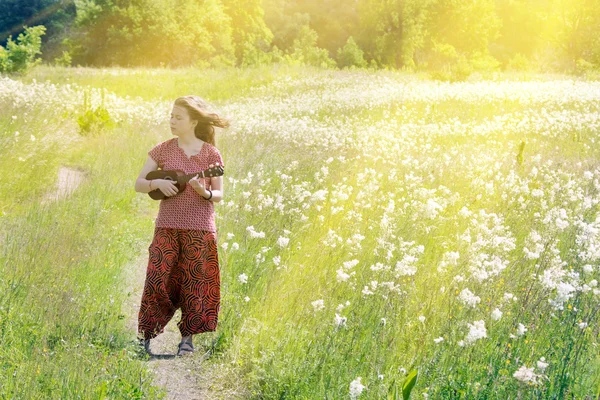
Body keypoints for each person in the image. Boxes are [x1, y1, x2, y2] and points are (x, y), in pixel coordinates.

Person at [134, 95, 228, 357]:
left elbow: (219, 194)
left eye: (178, 117)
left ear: (193, 121)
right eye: (171, 116)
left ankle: (187, 340)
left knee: (194, 283)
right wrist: (156, 184)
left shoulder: (211, 154)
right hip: (167, 226)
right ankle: (145, 337)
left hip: (200, 227)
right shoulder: (162, 149)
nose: (172, 121)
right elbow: (139, 183)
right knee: (156, 280)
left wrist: (204, 192)